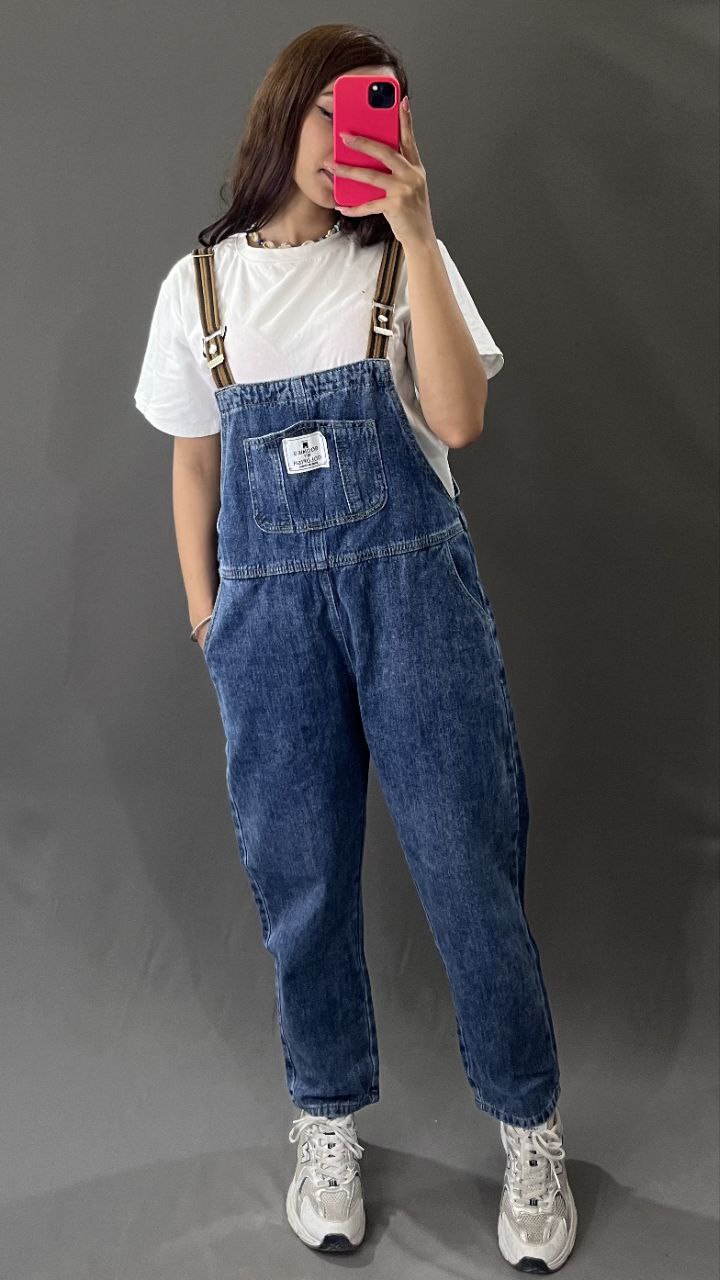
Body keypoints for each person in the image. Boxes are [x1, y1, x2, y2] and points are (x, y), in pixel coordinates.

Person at [133, 22, 578, 1274]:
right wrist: (208, 614)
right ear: (285, 113)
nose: (350, 143)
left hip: (415, 604)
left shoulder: (402, 262)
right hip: (266, 623)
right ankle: (325, 1121)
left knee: (468, 868)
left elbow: (460, 419)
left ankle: (529, 1129)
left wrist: (421, 235)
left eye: (381, 114)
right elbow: (194, 463)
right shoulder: (200, 287)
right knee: (304, 883)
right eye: (333, 114)